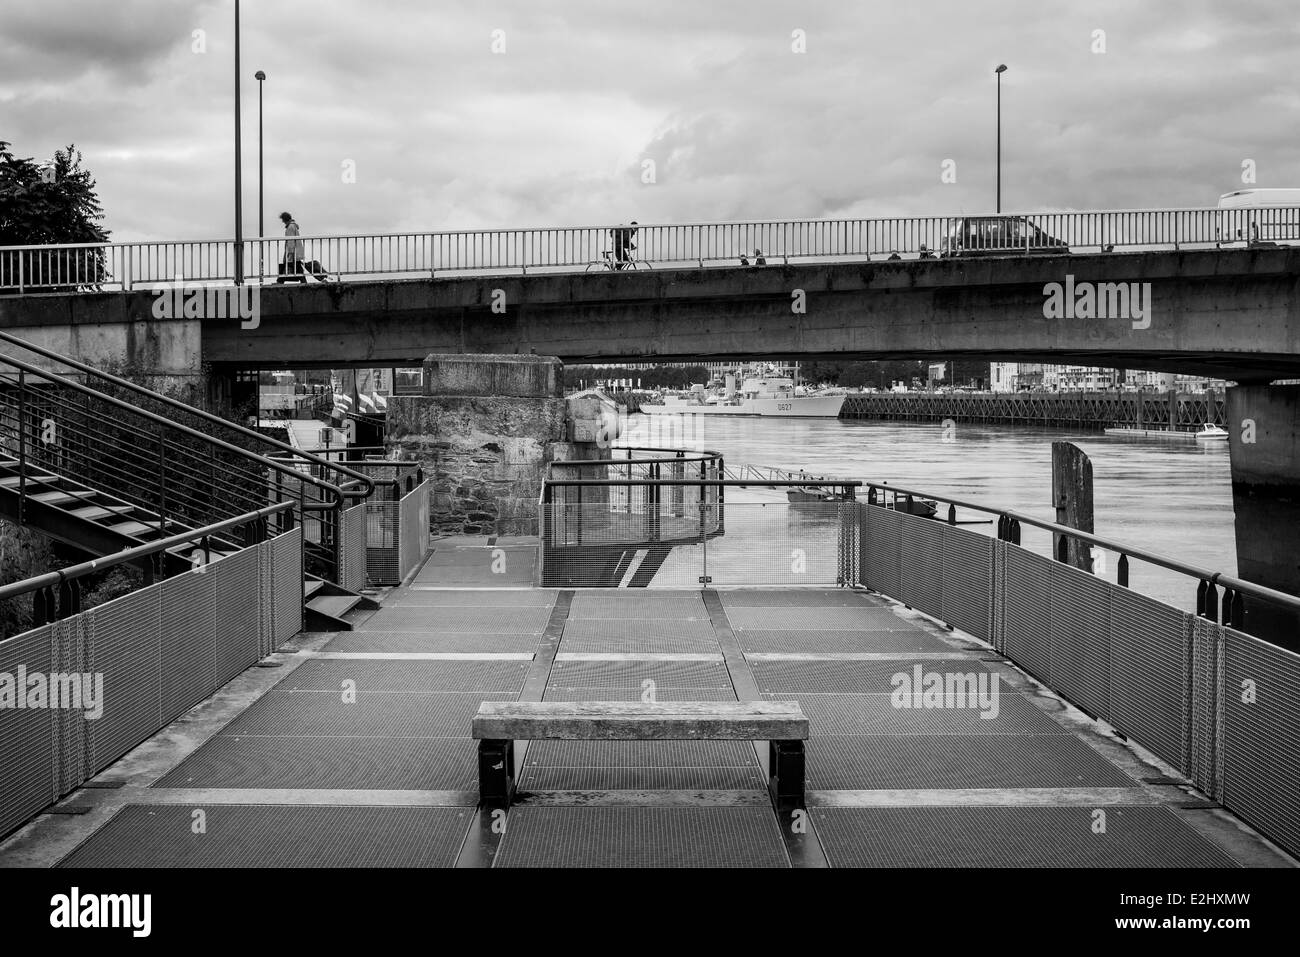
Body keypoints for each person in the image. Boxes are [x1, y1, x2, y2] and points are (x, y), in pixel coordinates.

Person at [277, 211, 332, 282]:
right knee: (298, 268)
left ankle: (280, 281)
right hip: (298, 252)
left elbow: (290, 242)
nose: (282, 222)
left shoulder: (290, 228)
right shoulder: (293, 226)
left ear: (285, 219)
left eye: (282, 220)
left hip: (294, 253)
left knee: (292, 267)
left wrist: (290, 253)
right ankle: (306, 281)